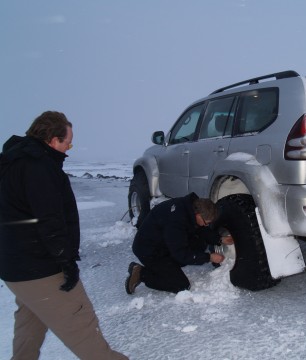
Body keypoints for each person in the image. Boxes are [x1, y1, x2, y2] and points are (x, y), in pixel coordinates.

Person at [0, 111, 128, 360]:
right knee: (82, 327)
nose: (69, 147)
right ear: (52, 139)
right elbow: (50, 220)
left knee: (30, 325)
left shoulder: (11, 161)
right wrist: (65, 261)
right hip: (41, 268)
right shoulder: (38, 167)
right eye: (68, 141)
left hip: (16, 268)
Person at [125, 193, 233, 294]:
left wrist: (220, 239)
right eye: (207, 223)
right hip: (150, 251)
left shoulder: (188, 208)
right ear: (198, 214)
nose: (206, 225)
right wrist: (208, 257)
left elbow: (200, 229)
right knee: (180, 285)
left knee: (198, 244)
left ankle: (168, 267)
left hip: (163, 242)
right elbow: (181, 253)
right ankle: (141, 273)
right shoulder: (176, 222)